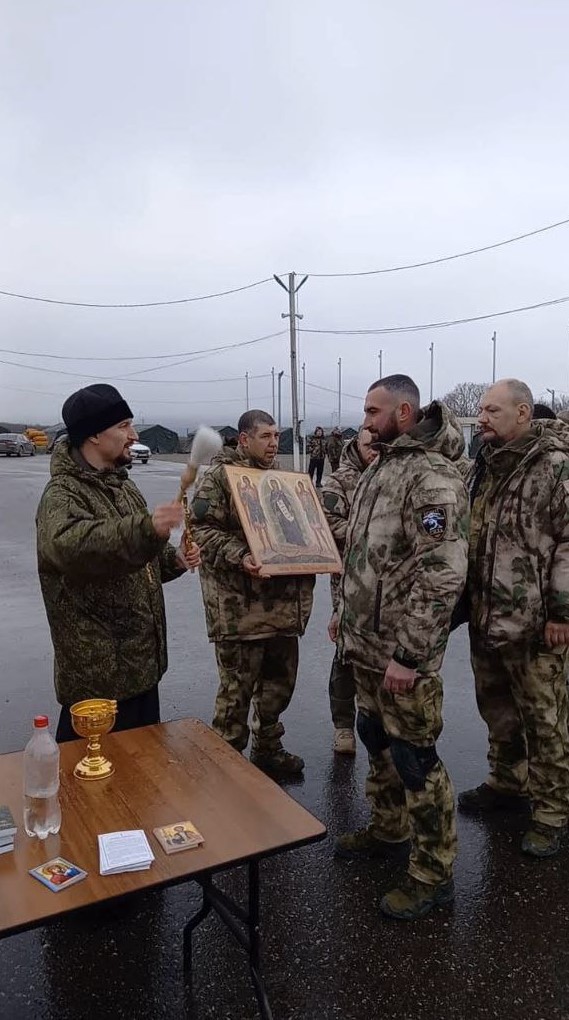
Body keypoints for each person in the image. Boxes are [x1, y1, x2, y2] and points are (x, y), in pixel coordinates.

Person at [335, 375, 469, 921]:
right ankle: (390, 829)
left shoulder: (432, 477)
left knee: (416, 758)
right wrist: (344, 617)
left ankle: (433, 874)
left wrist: (410, 655)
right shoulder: (383, 467)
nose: (365, 420)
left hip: (401, 654)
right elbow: (364, 556)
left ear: (405, 412)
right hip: (367, 646)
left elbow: (442, 574)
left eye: (374, 411)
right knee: (375, 737)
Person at [36, 384, 199, 743]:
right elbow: (73, 548)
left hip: (140, 671)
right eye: (124, 425)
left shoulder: (123, 488)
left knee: (143, 768)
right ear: (93, 434)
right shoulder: (62, 495)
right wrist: (146, 528)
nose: (134, 435)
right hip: (98, 682)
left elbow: (137, 562)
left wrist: (174, 559)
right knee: (91, 773)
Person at [458, 379, 569, 859]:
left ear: (523, 413)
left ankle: (552, 812)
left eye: (492, 410)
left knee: (545, 721)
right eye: (481, 410)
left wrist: (562, 611)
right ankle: (507, 783)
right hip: (488, 616)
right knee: (497, 709)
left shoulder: (554, 465)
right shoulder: (485, 464)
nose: (481, 418)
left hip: (537, 624)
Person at [190, 409, 315, 778]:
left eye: (276, 435)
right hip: (240, 610)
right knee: (236, 695)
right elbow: (199, 530)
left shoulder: (280, 478)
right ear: (244, 439)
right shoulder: (219, 478)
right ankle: (225, 767)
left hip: (281, 606)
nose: (274, 443)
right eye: (265, 436)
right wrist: (240, 555)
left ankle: (268, 748)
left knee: (278, 686)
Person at [322, 428, 378, 754]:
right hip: (351, 579)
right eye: (369, 444)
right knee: (346, 653)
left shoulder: (394, 474)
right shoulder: (340, 481)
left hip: (388, 584)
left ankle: (381, 726)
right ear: (357, 444)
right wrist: (373, 537)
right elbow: (328, 522)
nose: (375, 450)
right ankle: (343, 725)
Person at [268, 478, 307, 547]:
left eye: (274, 483)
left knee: (293, 524)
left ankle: (299, 540)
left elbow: (286, 500)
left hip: (287, 511)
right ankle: (291, 540)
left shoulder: (281, 492)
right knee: (286, 526)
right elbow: (272, 504)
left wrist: (289, 507)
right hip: (281, 513)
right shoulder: (272, 494)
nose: (274, 485)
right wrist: (276, 511)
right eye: (272, 484)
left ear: (276, 484)